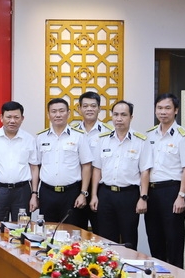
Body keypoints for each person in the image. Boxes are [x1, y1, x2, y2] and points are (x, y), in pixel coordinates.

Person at [90, 100, 152, 249]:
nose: (119, 118)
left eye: (123, 115)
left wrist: (143, 197)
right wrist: (94, 195)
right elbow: (97, 169)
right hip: (106, 194)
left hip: (128, 195)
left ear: (131, 117)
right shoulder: (103, 139)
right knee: (106, 239)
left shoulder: (141, 141)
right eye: (116, 114)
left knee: (129, 238)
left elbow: (145, 171)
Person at [144, 93, 185, 268]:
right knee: (154, 236)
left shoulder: (182, 136)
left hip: (172, 191)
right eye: (159, 108)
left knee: (174, 238)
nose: (163, 112)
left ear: (176, 110)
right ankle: (157, 274)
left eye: (167, 108)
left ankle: (176, 276)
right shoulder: (149, 135)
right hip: (152, 192)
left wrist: (181, 196)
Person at [34, 98, 92, 228]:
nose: (58, 115)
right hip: (47, 192)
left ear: (68, 113)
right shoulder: (41, 137)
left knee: (72, 230)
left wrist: (83, 193)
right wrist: (34, 193)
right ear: (48, 115)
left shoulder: (79, 136)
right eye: (54, 111)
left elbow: (86, 166)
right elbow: (37, 166)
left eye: (61, 111)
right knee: (48, 230)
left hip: (71, 193)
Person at [0, 101, 39, 223]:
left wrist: (34, 194)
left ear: (22, 119)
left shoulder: (29, 139)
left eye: (16, 117)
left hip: (22, 191)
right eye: (8, 117)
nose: (12, 121)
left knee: (22, 227)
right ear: (1, 118)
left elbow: (34, 168)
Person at [71, 91, 113, 232]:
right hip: (77, 186)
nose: (89, 109)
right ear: (79, 109)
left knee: (102, 229)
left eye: (93, 106)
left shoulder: (109, 132)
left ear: (99, 109)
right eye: (85, 106)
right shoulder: (72, 131)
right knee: (77, 229)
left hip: (100, 187)